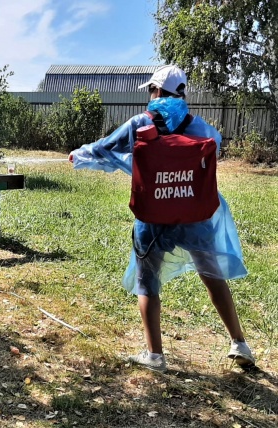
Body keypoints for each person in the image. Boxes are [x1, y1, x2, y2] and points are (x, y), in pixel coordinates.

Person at [68, 65, 255, 373]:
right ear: (182, 93)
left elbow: (104, 148)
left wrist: (79, 154)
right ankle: (239, 343)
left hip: (153, 217)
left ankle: (155, 355)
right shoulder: (202, 129)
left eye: (151, 90)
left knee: (147, 281)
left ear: (155, 91)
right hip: (194, 215)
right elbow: (215, 149)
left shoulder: (140, 123)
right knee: (212, 276)